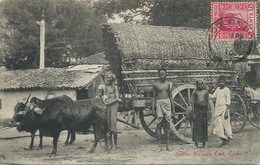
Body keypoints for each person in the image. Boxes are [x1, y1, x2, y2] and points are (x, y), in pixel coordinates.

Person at [152, 68, 173, 151]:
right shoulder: (156, 85)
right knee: (159, 125)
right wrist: (153, 109)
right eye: (160, 74)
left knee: (168, 126)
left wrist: (173, 108)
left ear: (166, 74)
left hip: (167, 104)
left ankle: (168, 145)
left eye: (163, 74)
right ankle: (159, 145)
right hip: (159, 104)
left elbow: (171, 96)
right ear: (158, 75)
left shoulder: (169, 84)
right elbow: (154, 97)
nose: (162, 76)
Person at [209, 75, 232, 148]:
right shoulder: (217, 89)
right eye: (219, 82)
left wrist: (226, 111)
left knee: (226, 125)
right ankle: (223, 140)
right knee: (218, 125)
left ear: (225, 82)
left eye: (222, 82)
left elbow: (228, 101)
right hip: (218, 109)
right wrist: (207, 94)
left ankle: (227, 141)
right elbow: (213, 96)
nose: (221, 83)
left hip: (224, 109)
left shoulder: (226, 90)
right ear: (218, 83)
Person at [103, 72, 120, 151]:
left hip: (113, 106)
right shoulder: (106, 87)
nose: (109, 79)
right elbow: (104, 97)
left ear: (113, 78)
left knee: (113, 123)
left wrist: (109, 102)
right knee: (107, 124)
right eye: (107, 77)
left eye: (110, 77)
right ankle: (108, 144)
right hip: (107, 106)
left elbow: (117, 98)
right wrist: (105, 101)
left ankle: (115, 145)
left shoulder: (115, 87)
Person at [191, 80, 209, 148]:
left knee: (204, 126)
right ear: (196, 85)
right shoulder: (195, 92)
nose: (200, 86)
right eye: (198, 85)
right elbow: (193, 103)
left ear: (203, 85)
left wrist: (208, 112)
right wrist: (193, 112)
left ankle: (204, 143)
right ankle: (196, 143)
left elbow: (207, 102)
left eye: (201, 84)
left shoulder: (206, 92)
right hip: (197, 110)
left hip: (204, 110)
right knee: (196, 127)